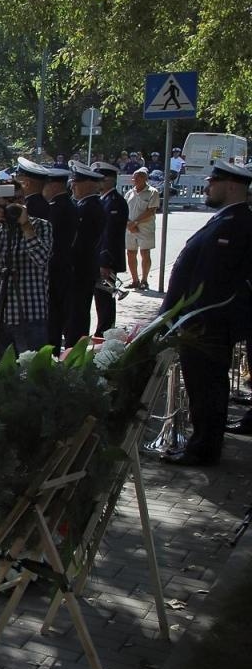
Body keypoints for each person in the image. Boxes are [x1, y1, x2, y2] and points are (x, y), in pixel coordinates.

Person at [158, 162, 252, 466]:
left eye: (214, 181)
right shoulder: (224, 220)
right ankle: (202, 443)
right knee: (202, 386)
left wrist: (192, 316)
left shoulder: (237, 223)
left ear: (232, 186)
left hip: (206, 323)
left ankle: (203, 449)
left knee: (207, 387)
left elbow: (216, 284)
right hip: (199, 321)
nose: (208, 185)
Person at [0, 176, 54, 358]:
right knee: (2, 377)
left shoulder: (41, 226)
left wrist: (25, 225)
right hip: (0, 317)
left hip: (31, 316)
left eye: (17, 200)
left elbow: (42, 259)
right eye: (5, 202)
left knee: (32, 376)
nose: (12, 206)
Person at [63, 162, 107, 347]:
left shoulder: (89, 208)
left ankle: (74, 349)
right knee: (75, 312)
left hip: (80, 269)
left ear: (90, 184)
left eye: (77, 182)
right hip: (81, 269)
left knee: (77, 314)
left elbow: (80, 244)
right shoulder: (84, 205)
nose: (73, 186)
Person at [40, 166, 78, 350]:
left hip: (55, 267)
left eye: (46, 185)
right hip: (65, 265)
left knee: (53, 316)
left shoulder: (56, 208)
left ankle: (52, 350)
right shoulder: (69, 204)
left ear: (54, 186)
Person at [93, 162, 128, 336]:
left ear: (111, 180)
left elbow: (110, 235)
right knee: (101, 297)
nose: (98, 183)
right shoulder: (104, 200)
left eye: (101, 179)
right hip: (100, 257)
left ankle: (105, 330)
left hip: (107, 259)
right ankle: (103, 329)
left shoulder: (115, 202)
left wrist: (105, 261)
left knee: (105, 297)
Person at [123, 168, 160, 290]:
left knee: (145, 253)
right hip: (130, 228)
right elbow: (124, 210)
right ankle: (135, 280)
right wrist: (129, 224)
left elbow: (151, 210)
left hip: (145, 228)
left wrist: (136, 223)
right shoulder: (129, 193)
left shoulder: (152, 192)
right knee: (130, 253)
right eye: (134, 177)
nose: (135, 180)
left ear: (145, 178)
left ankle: (144, 280)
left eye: (138, 177)